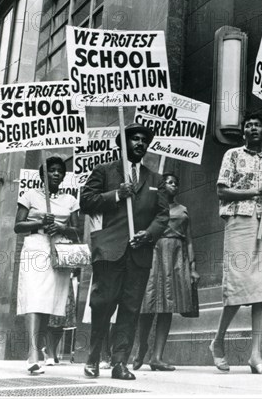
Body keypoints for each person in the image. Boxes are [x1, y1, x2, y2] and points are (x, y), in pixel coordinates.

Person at [80, 123, 169, 381]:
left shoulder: (156, 179)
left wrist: (149, 233)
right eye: (134, 139)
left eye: (144, 140)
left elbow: (162, 215)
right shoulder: (104, 171)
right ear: (123, 143)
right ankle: (93, 357)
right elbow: (86, 201)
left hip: (139, 253)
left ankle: (120, 362)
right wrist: (117, 195)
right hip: (110, 250)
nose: (140, 143)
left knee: (130, 309)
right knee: (103, 305)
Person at [210, 112, 262, 375]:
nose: (253, 128)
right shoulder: (233, 155)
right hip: (239, 222)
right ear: (243, 132)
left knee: (261, 289)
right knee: (237, 287)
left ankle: (255, 355)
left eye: (257, 125)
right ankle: (218, 342)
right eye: (248, 125)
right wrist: (254, 191)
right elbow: (221, 190)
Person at [14, 156, 82, 375]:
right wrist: (41, 222)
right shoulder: (30, 195)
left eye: (59, 171)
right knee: (34, 298)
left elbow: (76, 230)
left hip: (59, 251)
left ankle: (40, 347)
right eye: (51, 170)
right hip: (35, 247)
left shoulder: (70, 199)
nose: (55, 174)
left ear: (63, 176)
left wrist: (61, 228)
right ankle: (32, 353)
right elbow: (18, 225)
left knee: (48, 304)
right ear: (43, 174)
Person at [132, 173, 200, 371]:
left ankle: (157, 357)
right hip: (153, 254)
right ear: (160, 186)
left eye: (175, 182)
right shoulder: (151, 207)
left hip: (176, 257)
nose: (173, 185)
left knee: (168, 306)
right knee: (148, 304)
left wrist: (193, 267)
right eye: (169, 182)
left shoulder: (183, 210)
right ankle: (141, 347)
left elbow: (189, 239)